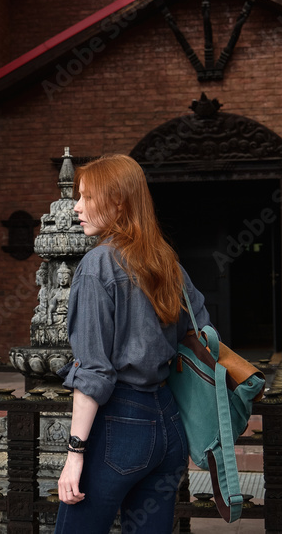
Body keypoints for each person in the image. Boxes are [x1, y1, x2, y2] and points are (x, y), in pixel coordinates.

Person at [55, 154, 210, 534]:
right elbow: (202, 333)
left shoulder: (98, 265)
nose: (77, 207)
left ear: (119, 202)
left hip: (118, 426)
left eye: (87, 197)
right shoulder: (167, 262)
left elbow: (93, 371)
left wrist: (74, 455)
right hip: (170, 425)